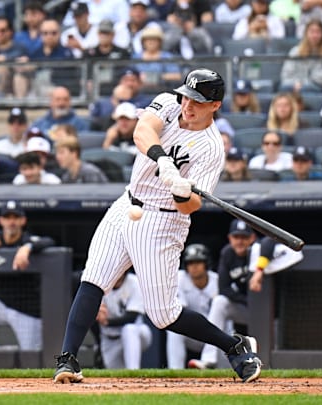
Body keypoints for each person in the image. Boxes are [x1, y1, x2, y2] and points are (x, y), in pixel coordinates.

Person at [52, 68, 262, 384]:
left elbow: (193, 205)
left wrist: (182, 192)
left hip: (164, 221)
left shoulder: (211, 148)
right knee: (93, 279)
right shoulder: (168, 102)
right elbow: (142, 132)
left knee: (164, 316)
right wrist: (163, 160)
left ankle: (234, 345)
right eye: (187, 96)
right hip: (127, 204)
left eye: (198, 101)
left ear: (215, 105)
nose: (188, 105)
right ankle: (67, 360)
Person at [187, 221, 255, 369]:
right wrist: (246, 300)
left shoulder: (258, 252)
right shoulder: (228, 253)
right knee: (220, 301)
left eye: (244, 237)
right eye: (236, 237)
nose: (240, 241)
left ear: (252, 238)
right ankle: (208, 359)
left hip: (267, 312)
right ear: (230, 238)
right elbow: (223, 288)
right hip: (246, 306)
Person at [0, 201, 55, 350]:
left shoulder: (27, 239)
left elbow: (49, 241)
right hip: (1, 305)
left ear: (22, 220)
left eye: (15, 217)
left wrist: (27, 248)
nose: (11, 221)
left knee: (32, 355)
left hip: (25, 310)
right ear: (1, 221)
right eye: (7, 217)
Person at [166, 244, 220, 369]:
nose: (194, 266)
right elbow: (180, 310)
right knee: (173, 330)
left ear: (206, 263)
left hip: (215, 334)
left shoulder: (217, 280)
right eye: (190, 263)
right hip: (191, 332)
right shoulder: (178, 278)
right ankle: (175, 370)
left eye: (198, 262)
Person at [96, 271, 152, 369]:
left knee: (129, 329)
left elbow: (132, 317)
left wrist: (107, 322)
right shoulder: (99, 283)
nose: (116, 272)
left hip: (137, 333)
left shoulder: (134, 282)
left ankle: (134, 370)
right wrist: (96, 315)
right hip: (109, 339)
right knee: (116, 376)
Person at [280, 20, 322, 92]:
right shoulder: (295, 51)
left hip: (319, 85)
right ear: (306, 33)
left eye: (318, 32)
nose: (315, 35)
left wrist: (312, 79)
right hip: (297, 85)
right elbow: (286, 74)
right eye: (312, 32)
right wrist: (296, 83)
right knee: (284, 88)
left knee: (306, 88)